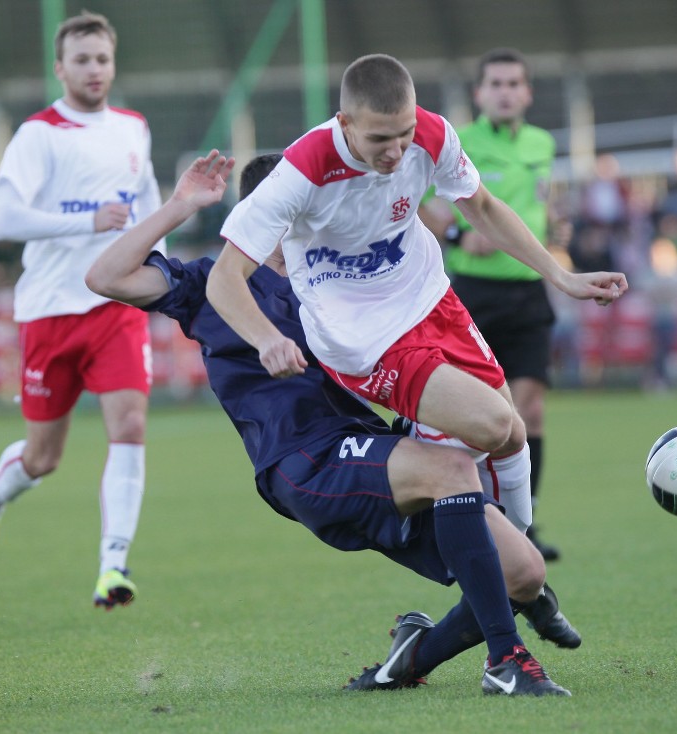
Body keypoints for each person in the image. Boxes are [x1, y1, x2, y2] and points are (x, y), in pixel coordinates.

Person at [86, 149, 581, 696]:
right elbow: (106, 276)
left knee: (522, 572)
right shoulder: (211, 283)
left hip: (373, 449)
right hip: (304, 460)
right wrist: (179, 207)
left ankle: (409, 660)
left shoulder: (335, 274)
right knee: (451, 471)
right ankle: (505, 661)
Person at [206, 53, 626, 627]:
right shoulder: (302, 171)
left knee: (513, 435)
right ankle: (515, 582)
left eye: (404, 134)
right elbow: (222, 279)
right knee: (492, 424)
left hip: (430, 298)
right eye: (381, 138)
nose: (397, 151)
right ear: (345, 123)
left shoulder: (430, 133)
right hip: (363, 339)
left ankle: (525, 583)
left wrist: (561, 275)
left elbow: (480, 205)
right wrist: (263, 339)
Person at [0, 11, 166, 610]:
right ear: (60, 68)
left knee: (129, 425)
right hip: (49, 311)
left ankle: (113, 566)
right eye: (82, 59)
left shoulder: (133, 128)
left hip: (114, 304)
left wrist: (164, 263)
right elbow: (3, 220)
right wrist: (87, 219)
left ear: (113, 62)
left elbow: (149, 201)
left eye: (102, 58)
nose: (94, 69)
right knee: (42, 456)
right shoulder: (38, 135)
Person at [422, 48, 572, 559]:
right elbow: (418, 200)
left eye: (514, 83)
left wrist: (556, 226)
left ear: (527, 92)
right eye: (496, 83)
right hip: (474, 294)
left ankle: (523, 524)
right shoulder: (459, 141)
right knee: (484, 415)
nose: (505, 91)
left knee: (530, 411)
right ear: (480, 93)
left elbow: (543, 199)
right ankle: (477, 518)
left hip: (528, 290)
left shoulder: (541, 143)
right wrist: (458, 238)